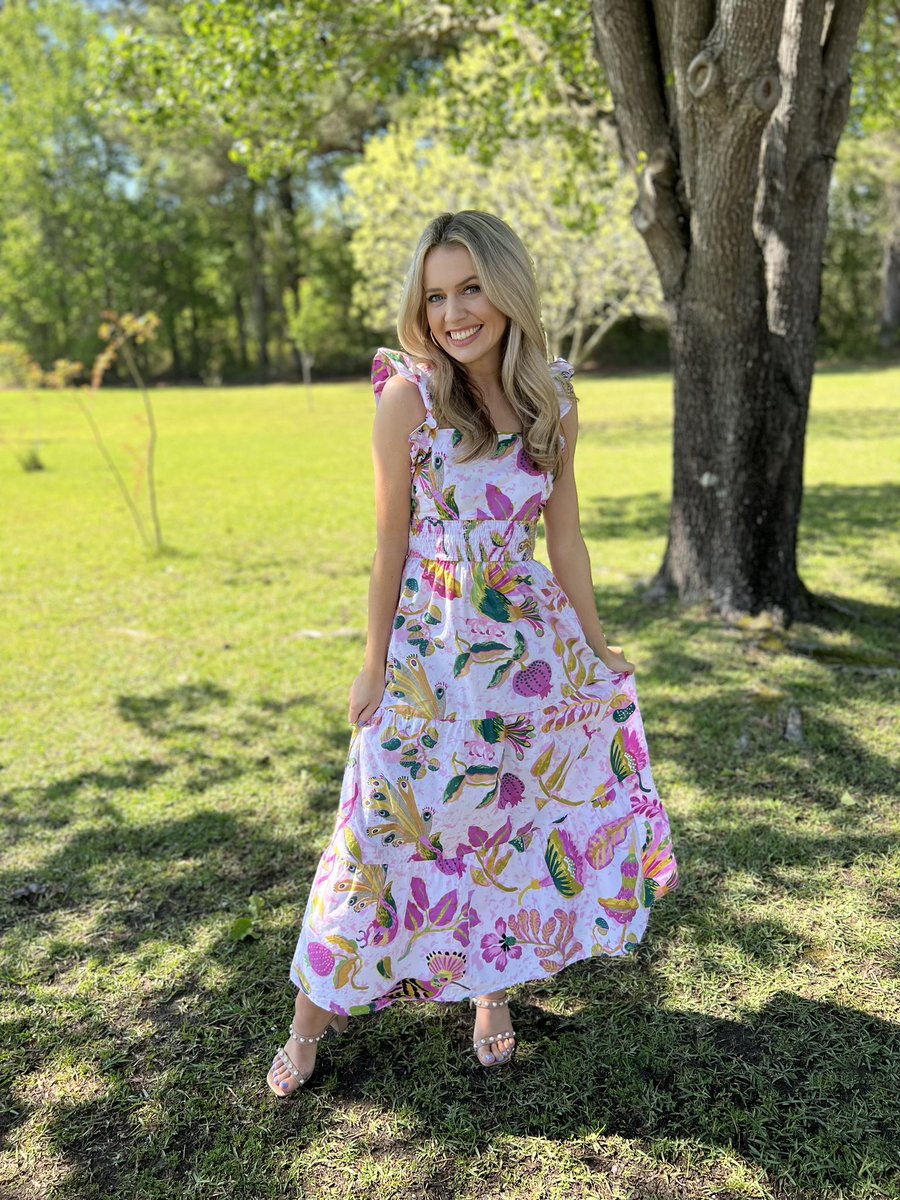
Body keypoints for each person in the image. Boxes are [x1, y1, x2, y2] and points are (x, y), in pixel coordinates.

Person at [266, 209, 679, 1099]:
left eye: (471, 289)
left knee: (498, 826)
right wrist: (372, 661)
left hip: (524, 653)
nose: (453, 313)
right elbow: (390, 542)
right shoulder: (408, 399)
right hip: (427, 651)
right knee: (377, 829)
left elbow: (564, 539)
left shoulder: (552, 400)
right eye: (436, 296)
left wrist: (595, 642)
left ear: (509, 290)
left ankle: (489, 991)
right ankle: (308, 1020)